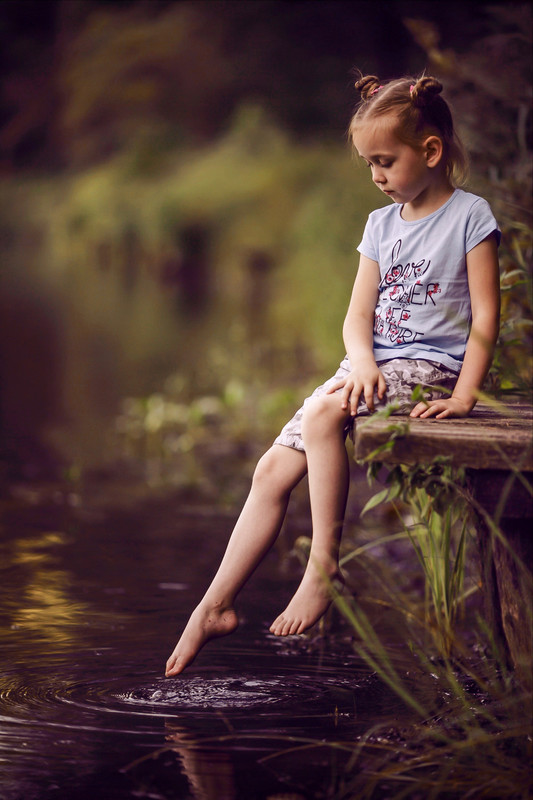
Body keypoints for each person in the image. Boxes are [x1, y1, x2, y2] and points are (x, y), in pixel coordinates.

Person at [165, 74, 500, 677]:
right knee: (271, 469)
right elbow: (357, 318)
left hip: (429, 370)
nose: (375, 173)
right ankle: (213, 607)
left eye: (384, 160)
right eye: (369, 162)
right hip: (370, 366)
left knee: (323, 413)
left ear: (430, 151)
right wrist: (364, 361)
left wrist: (465, 396)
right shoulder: (380, 224)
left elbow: (485, 318)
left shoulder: (470, 217)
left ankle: (324, 567)